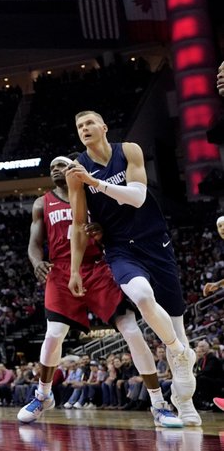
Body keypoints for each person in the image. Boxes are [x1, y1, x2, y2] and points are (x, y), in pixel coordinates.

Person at [17, 156, 183, 426]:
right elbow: (34, 242)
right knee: (54, 334)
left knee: (131, 329)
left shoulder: (93, 195)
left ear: (74, 169)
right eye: (52, 168)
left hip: (98, 267)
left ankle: (159, 404)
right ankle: (43, 395)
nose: (57, 170)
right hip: (60, 271)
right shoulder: (41, 203)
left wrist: (101, 231)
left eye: (62, 165)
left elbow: (116, 228)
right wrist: (37, 262)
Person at [65, 110, 200, 426]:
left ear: (104, 127)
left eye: (89, 123)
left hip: (156, 244)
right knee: (140, 296)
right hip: (121, 249)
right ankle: (179, 351)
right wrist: (73, 269)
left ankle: (186, 404)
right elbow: (79, 223)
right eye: (79, 126)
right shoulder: (77, 172)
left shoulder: (129, 150)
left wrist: (95, 182)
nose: (84, 128)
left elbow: (138, 198)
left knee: (176, 326)